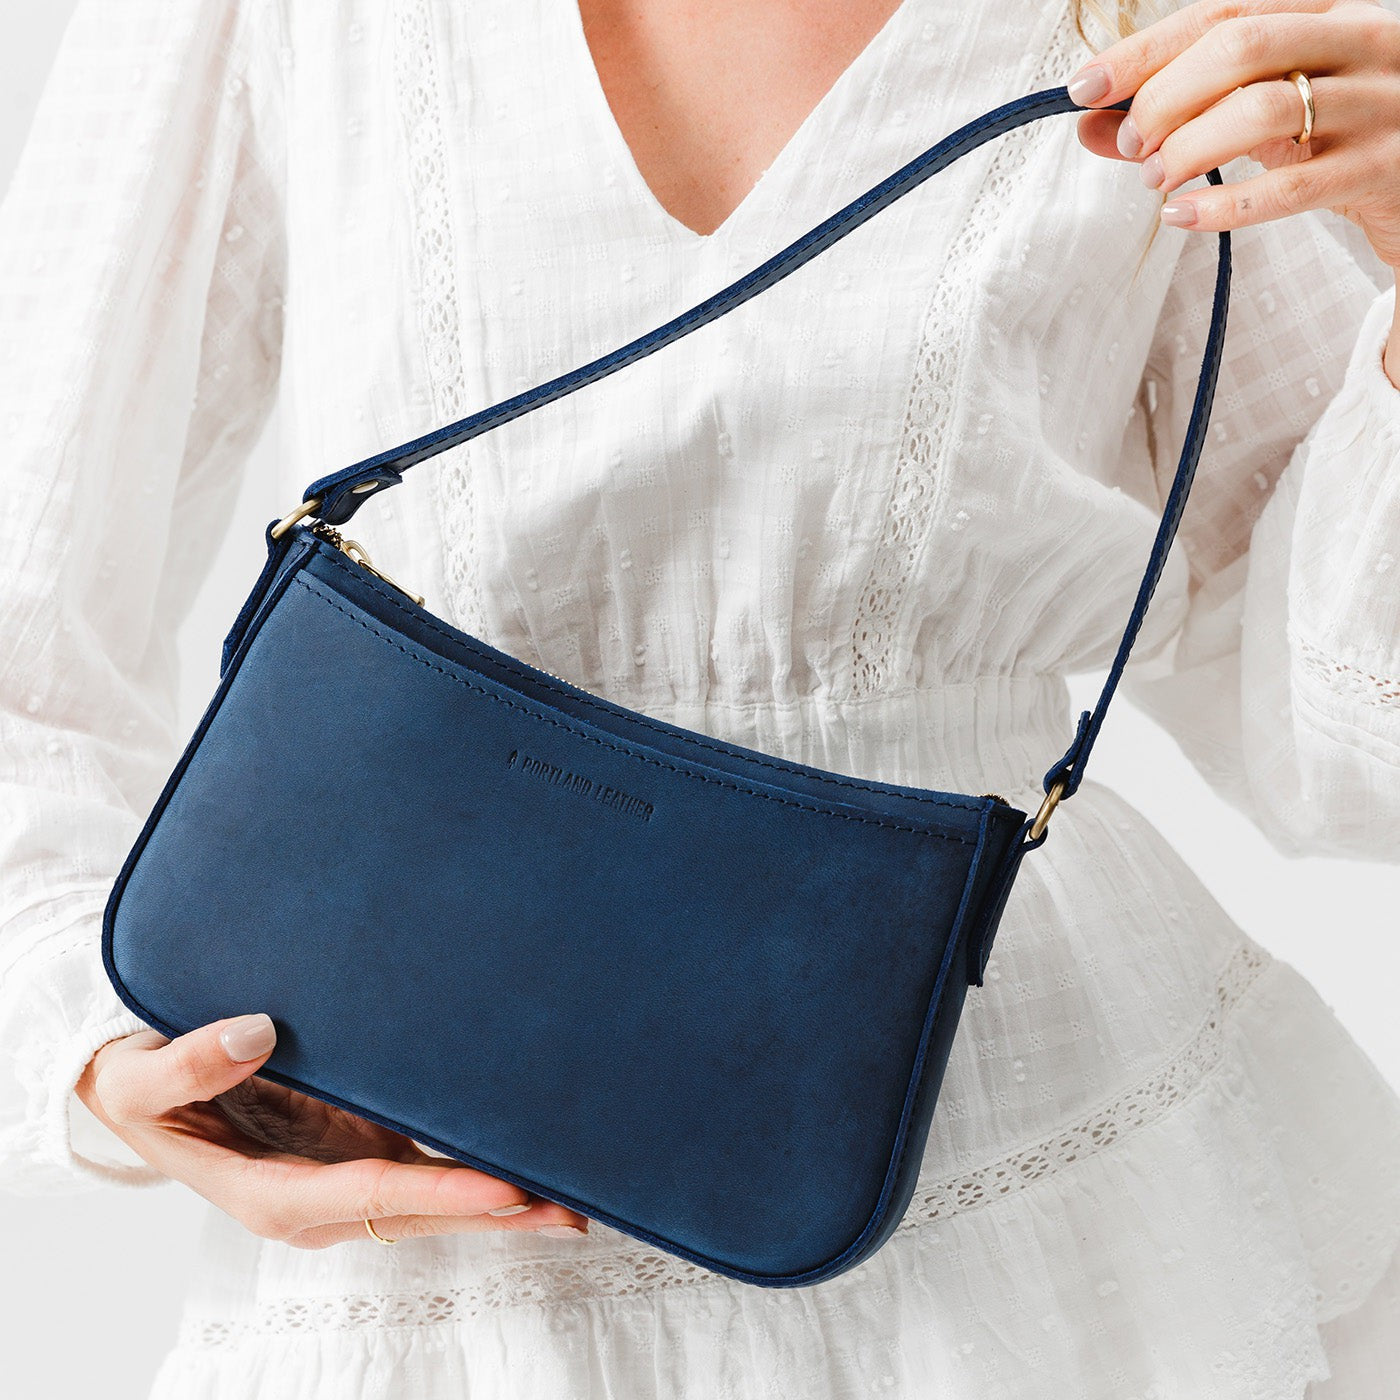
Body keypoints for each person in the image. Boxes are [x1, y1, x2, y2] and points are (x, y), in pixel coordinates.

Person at [3, 0, 1400, 1393]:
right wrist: (93, 1053)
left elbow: (1340, 750)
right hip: (410, 1173)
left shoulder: (1185, 20)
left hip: (1041, 1156)